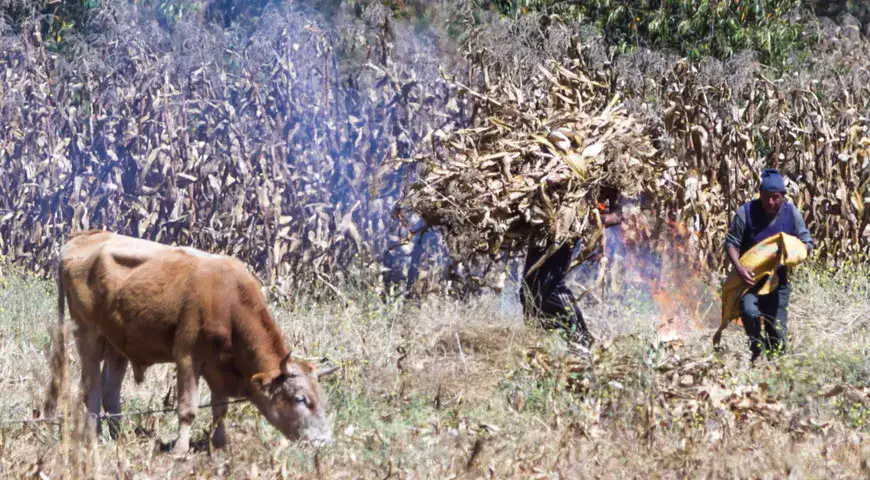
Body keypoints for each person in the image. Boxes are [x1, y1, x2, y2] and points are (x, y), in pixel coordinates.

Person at [519, 184, 623, 351]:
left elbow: (619, 215)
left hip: (567, 230)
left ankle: (580, 343)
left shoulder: (605, 172)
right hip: (544, 226)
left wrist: (589, 218)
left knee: (549, 288)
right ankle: (545, 349)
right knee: (529, 291)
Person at [724, 168, 813, 362]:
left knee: (777, 333)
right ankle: (756, 349)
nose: (770, 202)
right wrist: (739, 267)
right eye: (766, 197)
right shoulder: (746, 212)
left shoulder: (792, 214)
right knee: (749, 312)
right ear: (760, 194)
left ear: (782, 196)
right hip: (750, 282)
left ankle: (776, 367)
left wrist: (793, 252)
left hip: (778, 283)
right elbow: (731, 242)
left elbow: (807, 243)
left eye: (775, 197)